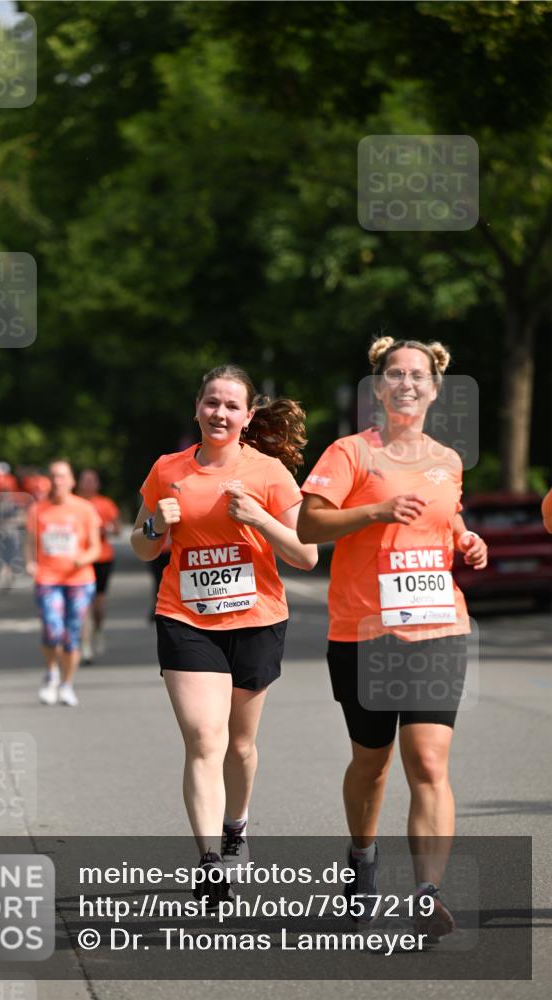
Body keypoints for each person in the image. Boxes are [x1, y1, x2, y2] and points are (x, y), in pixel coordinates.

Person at [297, 337, 488, 941]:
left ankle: (428, 893)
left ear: (434, 389)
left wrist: (465, 539)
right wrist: (374, 513)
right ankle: (362, 857)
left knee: (429, 761)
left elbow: (445, 518)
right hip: (364, 630)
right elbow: (308, 523)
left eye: (417, 375)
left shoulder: (448, 460)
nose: (407, 383)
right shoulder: (351, 452)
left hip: (438, 626)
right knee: (372, 762)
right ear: (379, 387)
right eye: (395, 374)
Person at [131, 364, 318, 906]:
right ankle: (211, 862)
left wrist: (259, 518)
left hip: (257, 620)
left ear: (248, 416)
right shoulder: (167, 470)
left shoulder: (269, 473)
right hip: (186, 618)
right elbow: (142, 544)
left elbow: (306, 555)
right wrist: (156, 524)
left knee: (239, 744)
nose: (220, 413)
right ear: (197, 408)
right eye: (211, 402)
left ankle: (236, 826)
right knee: (204, 738)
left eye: (232, 406)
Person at [25, 460, 101, 707]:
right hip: (48, 579)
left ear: (71, 481)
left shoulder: (85, 509)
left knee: (71, 634)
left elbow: (96, 547)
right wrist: (30, 562)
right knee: (52, 629)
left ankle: (67, 685)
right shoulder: (38, 509)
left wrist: (83, 559)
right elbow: (30, 543)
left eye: (62, 476)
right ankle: (51, 674)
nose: (57, 481)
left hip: (79, 580)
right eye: (53, 476)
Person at [77, 469, 122, 662]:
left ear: (97, 484)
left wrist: (106, 529)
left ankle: (98, 630)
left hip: (103, 558)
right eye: (85, 480)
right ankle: (85, 644)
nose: (88, 484)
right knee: (84, 603)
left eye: (92, 480)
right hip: (81, 559)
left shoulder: (106, 504)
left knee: (98, 604)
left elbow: (117, 529)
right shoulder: (74, 503)